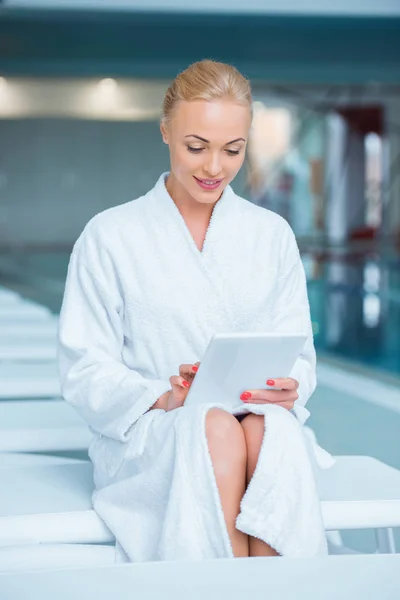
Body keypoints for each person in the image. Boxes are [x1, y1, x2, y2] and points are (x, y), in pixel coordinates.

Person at [58, 60, 329, 563]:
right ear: (165, 132)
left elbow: (298, 355)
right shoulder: (110, 236)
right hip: (146, 438)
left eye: (233, 150)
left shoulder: (271, 236)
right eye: (196, 147)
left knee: (274, 432)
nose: (214, 168)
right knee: (215, 428)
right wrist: (164, 396)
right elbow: (84, 370)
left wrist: (290, 384)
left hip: (252, 419)